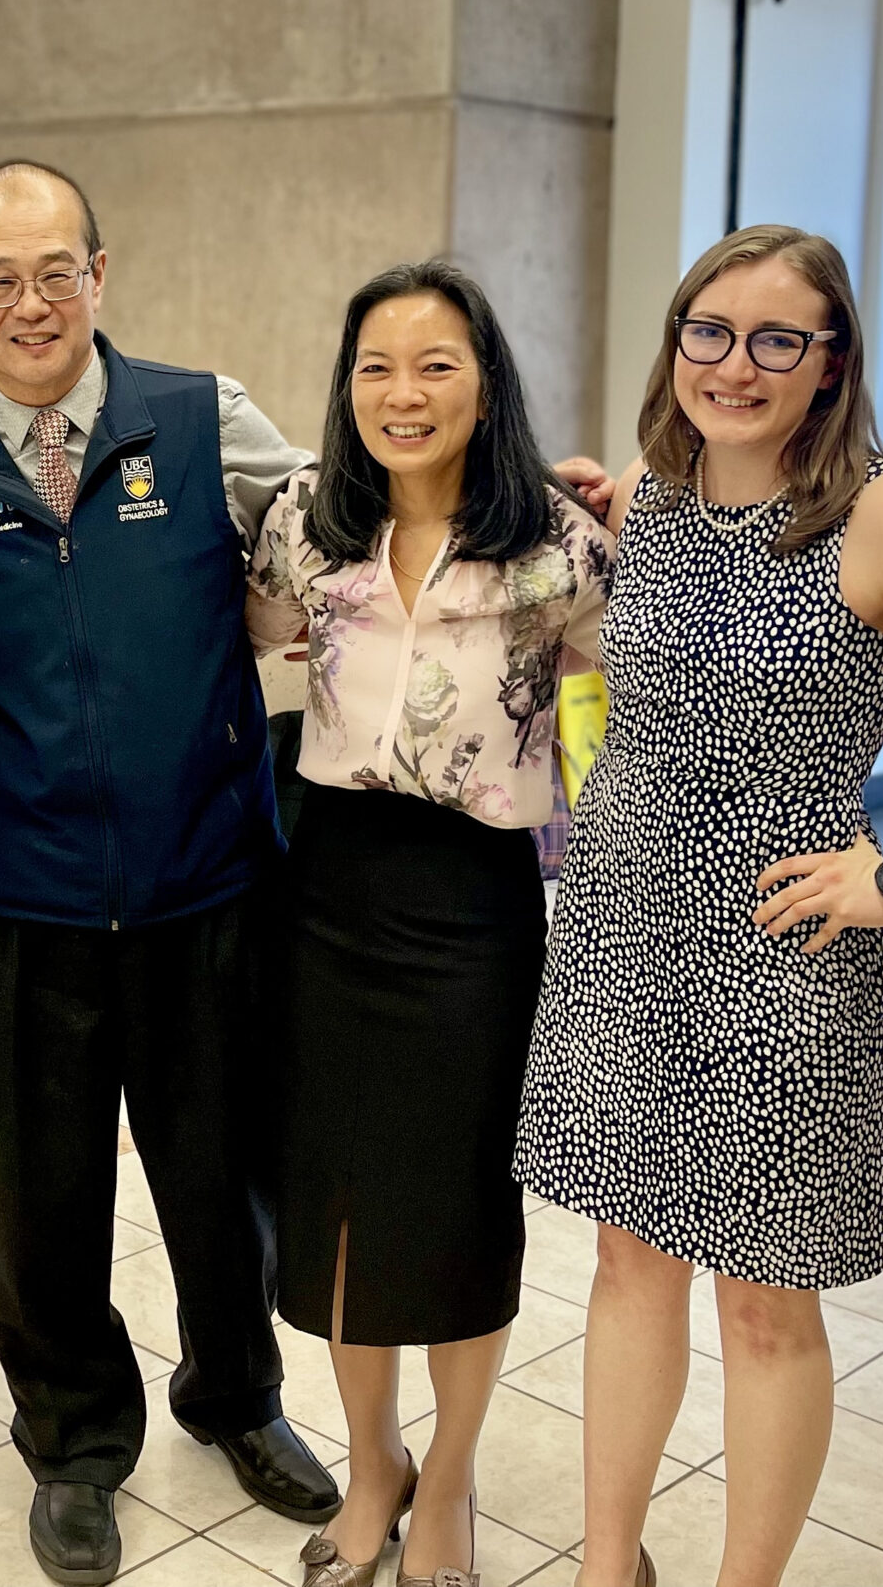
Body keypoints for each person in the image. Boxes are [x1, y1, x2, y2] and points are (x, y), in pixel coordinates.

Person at [513, 225, 883, 1587]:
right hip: (620, 930)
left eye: (777, 337)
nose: (735, 364)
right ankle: (610, 1564)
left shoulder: (882, 516)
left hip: (784, 951)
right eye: (708, 331)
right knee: (627, 1265)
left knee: (766, 1304)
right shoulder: (658, 500)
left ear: (831, 358)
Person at [0, 160, 337, 1586]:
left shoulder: (203, 419)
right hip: (19, 891)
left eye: (58, 269)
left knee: (219, 1174)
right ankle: (77, 1444)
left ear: (103, 270)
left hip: (204, 875)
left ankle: (238, 1396)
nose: (33, 302)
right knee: (40, 1193)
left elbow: (347, 536)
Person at [245, 261, 612, 1587]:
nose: (404, 393)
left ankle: (447, 1483)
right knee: (337, 1207)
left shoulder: (555, 543)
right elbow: (251, 630)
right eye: (377, 367)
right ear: (348, 389)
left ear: (485, 381)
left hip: (475, 907)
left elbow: (650, 666)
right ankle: (372, 1464)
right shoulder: (306, 520)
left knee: (457, 1208)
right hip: (329, 890)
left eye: (436, 364)